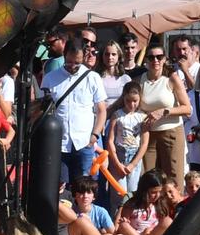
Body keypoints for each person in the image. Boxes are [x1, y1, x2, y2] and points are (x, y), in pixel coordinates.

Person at [40, 34, 107, 190]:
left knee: (83, 188)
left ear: (83, 57)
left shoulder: (93, 78)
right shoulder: (50, 78)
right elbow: (42, 110)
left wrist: (94, 135)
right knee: (58, 187)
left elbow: (102, 110)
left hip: (84, 141)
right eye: (69, 62)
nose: (72, 66)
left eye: (77, 63)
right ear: (64, 56)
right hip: (58, 142)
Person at [132, 42, 189, 187]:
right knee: (150, 179)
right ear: (146, 60)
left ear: (165, 59)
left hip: (171, 132)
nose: (155, 61)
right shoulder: (139, 80)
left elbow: (188, 109)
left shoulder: (172, 78)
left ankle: (175, 209)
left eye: (159, 57)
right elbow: (125, 102)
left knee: (173, 178)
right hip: (148, 134)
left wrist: (164, 111)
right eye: (151, 57)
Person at [99, 81, 148, 218]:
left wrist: (133, 164)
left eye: (135, 101)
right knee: (118, 193)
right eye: (128, 101)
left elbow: (144, 143)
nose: (131, 104)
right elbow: (110, 140)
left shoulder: (142, 117)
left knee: (132, 193)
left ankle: (128, 221)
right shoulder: (117, 115)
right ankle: (115, 220)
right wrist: (115, 162)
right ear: (123, 98)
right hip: (119, 155)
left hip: (134, 157)